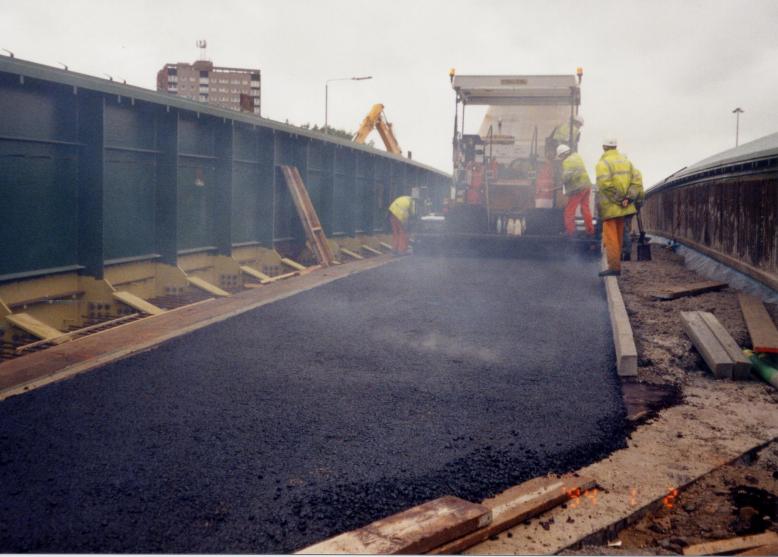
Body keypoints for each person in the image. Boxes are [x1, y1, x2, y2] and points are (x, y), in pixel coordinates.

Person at [596, 137, 637, 276]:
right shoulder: (627, 162)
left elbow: (605, 185)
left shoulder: (603, 163)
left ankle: (614, 267)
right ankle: (616, 264)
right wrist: (628, 198)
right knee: (619, 236)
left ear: (604, 147)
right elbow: (635, 182)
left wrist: (619, 199)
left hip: (611, 208)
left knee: (611, 238)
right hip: (624, 207)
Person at [556, 144, 594, 237]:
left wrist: (560, 181)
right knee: (585, 209)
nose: (561, 159)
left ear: (563, 155)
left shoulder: (567, 161)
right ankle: (590, 231)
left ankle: (571, 232)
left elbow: (567, 177)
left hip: (578, 188)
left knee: (569, 210)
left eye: (560, 157)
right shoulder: (577, 156)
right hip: (586, 185)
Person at [621, 165, 645, 261]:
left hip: (627, 206)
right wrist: (639, 205)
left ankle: (626, 253)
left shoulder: (628, 175)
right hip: (633, 206)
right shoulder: (636, 174)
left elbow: (632, 192)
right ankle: (625, 252)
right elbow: (641, 192)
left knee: (623, 230)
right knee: (625, 228)